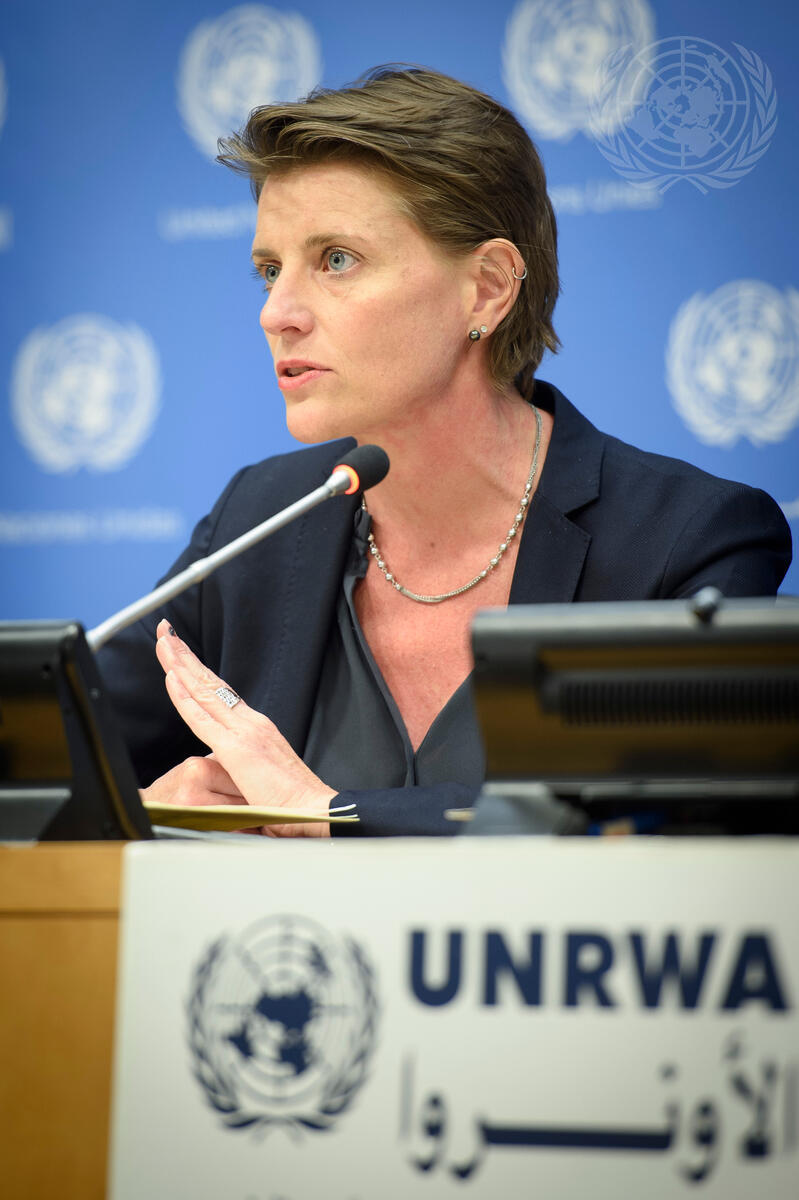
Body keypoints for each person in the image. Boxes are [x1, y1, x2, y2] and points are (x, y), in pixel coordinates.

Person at [98, 66, 792, 838]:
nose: (277, 312)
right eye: (269, 270)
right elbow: (53, 753)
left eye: (336, 259)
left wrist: (329, 813)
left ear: (486, 289)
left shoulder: (685, 541)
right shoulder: (259, 519)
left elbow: (675, 817)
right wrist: (147, 809)